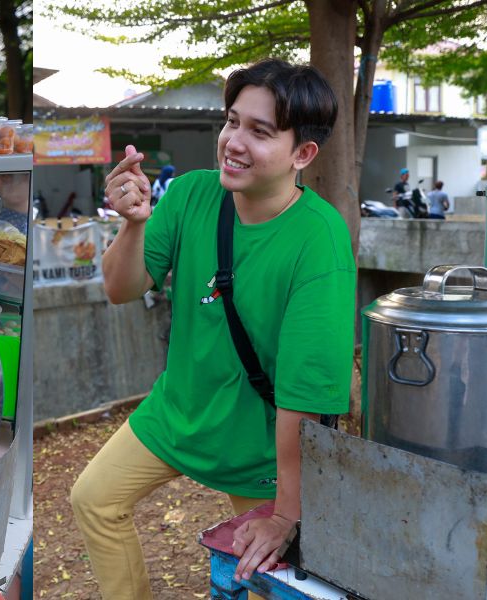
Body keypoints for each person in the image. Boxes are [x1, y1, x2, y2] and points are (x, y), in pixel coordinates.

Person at [70, 58, 355, 600]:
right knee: (93, 499)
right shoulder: (192, 195)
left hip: (261, 446)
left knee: (264, 579)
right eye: (231, 121)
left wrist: (286, 515)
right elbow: (120, 287)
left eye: (259, 131)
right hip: (176, 414)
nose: (234, 141)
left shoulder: (319, 241)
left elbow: (305, 394)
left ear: (303, 153)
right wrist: (135, 224)